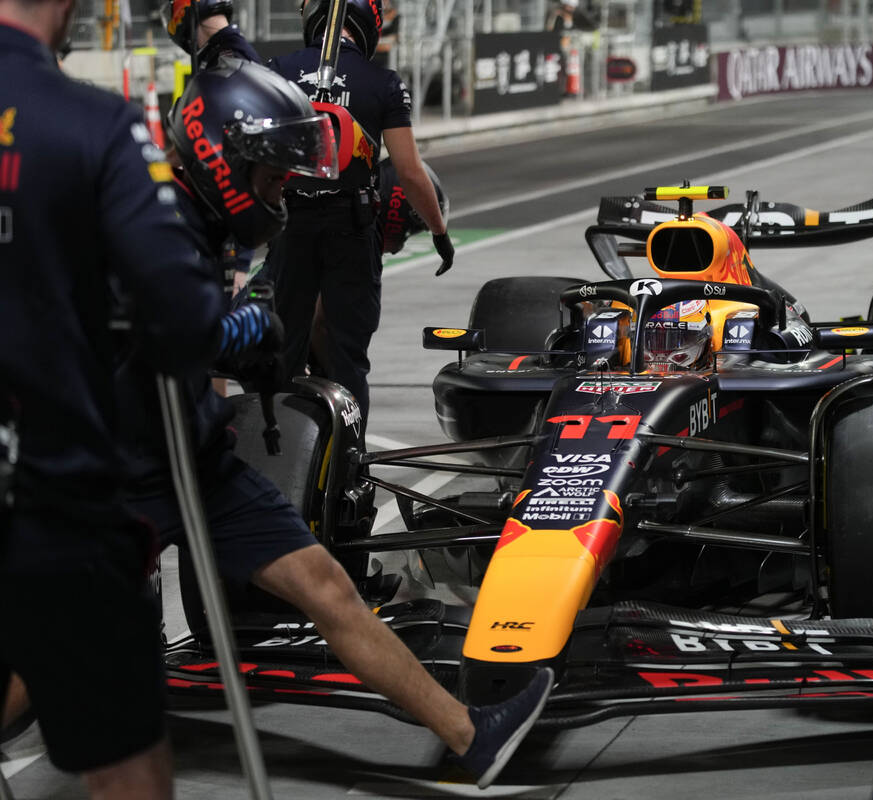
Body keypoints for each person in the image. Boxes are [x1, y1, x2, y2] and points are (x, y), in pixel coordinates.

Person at [141, 58, 547, 789]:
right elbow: (167, 332)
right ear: (223, 158)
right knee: (66, 645)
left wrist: (250, 338)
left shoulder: (203, 219)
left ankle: (472, 736)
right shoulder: (145, 218)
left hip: (196, 456)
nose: (280, 189)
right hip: (121, 463)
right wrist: (243, 333)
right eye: (268, 174)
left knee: (328, 587)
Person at [0, 0, 264, 793]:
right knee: (127, 767)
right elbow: (184, 318)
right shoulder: (94, 123)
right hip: (48, 502)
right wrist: (251, 328)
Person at [264, 0, 454, 426]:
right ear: (369, 26)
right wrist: (440, 233)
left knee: (285, 350)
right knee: (349, 358)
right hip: (352, 227)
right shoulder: (383, 83)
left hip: (291, 224)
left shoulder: (278, 69)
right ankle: (350, 470)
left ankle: (282, 452)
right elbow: (409, 172)